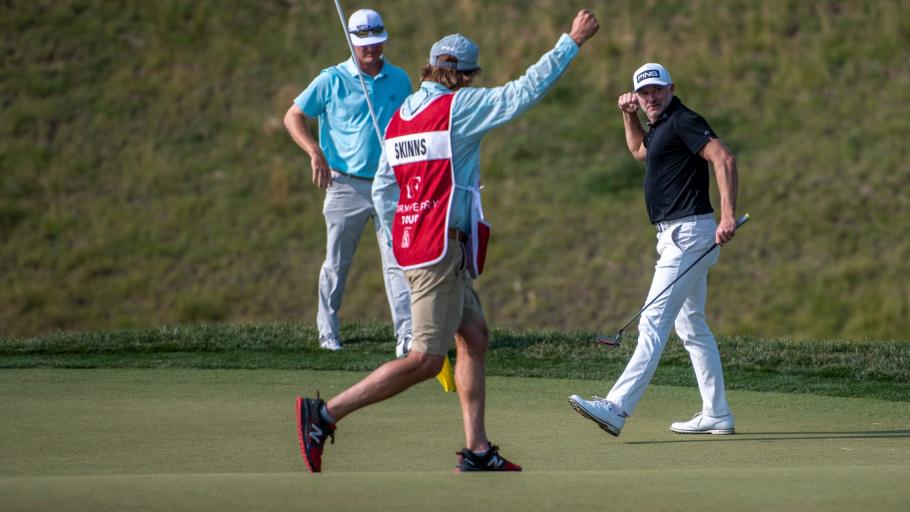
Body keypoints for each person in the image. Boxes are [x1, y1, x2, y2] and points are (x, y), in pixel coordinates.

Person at [296, 9, 601, 473]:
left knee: (473, 336)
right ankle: (325, 414)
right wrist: (571, 42)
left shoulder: (402, 116)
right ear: (464, 76)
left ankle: (477, 450)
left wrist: (402, 234)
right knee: (423, 358)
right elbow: (522, 92)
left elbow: (383, 186)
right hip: (437, 251)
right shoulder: (459, 106)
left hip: (432, 247)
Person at [569, 62, 740, 437]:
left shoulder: (683, 119)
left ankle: (616, 408)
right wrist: (628, 117)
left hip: (688, 234)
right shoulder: (660, 126)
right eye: (644, 93)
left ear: (671, 88)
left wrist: (727, 215)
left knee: (652, 322)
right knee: (692, 327)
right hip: (677, 235)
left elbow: (723, 157)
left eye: (657, 91)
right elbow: (638, 151)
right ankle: (717, 412)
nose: (651, 98)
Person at [283, 8, 413, 356]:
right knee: (337, 262)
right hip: (345, 185)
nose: (371, 50)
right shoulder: (331, 79)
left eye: (376, 42)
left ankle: (407, 336)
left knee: (397, 261)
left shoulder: (400, 80)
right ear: (352, 42)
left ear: (383, 39)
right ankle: (328, 333)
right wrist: (314, 151)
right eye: (364, 44)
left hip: (390, 184)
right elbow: (293, 115)